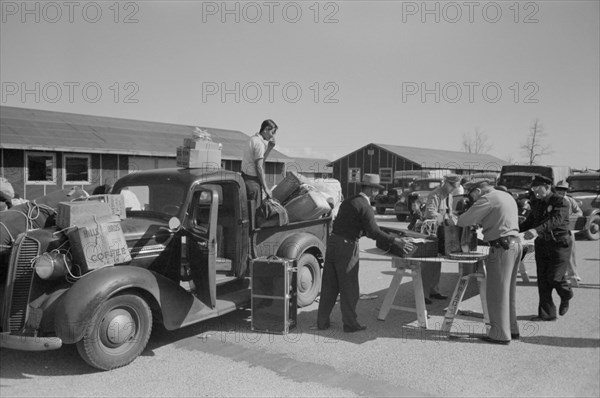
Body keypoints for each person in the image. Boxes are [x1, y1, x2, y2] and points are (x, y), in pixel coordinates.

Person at [317, 174, 414, 333]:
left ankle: (322, 322)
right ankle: (350, 324)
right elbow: (373, 231)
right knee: (349, 288)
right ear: (370, 189)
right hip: (347, 246)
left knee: (329, 285)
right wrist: (395, 241)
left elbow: (355, 226)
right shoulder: (365, 206)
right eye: (376, 190)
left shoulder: (349, 201)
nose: (378, 193)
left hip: (333, 243)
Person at [457, 180, 523, 345]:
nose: (471, 199)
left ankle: (499, 334)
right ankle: (511, 329)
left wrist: (452, 218)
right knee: (508, 292)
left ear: (478, 190)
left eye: (471, 195)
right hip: (515, 245)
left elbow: (464, 220)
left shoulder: (487, 198)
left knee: (496, 293)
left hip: (501, 247)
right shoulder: (505, 195)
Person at [520, 175, 573, 321]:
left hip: (559, 244)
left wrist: (537, 230)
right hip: (542, 244)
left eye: (537, 188)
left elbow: (555, 220)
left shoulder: (560, 201)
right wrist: (514, 230)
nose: (535, 191)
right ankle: (547, 314)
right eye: (533, 188)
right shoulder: (537, 203)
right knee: (543, 280)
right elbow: (530, 221)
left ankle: (566, 294)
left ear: (547, 186)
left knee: (555, 277)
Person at [421, 174, 462, 304]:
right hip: (432, 233)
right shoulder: (435, 194)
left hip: (443, 233)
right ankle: (424, 294)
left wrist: (454, 218)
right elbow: (430, 213)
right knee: (428, 264)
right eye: (452, 186)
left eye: (455, 187)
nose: (453, 189)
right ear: (446, 183)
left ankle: (434, 290)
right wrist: (445, 218)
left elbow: (449, 212)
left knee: (437, 262)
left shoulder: (449, 196)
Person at [240, 119, 278, 208]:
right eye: (272, 132)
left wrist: (269, 148)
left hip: (245, 179)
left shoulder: (252, 139)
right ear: (266, 130)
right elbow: (259, 167)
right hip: (253, 182)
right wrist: (266, 189)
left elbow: (260, 161)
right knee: (255, 211)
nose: (273, 136)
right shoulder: (259, 144)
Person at [555, 180, 583, 281]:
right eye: (559, 190)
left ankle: (573, 274)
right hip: (553, 232)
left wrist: (570, 217)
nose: (562, 192)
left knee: (570, 253)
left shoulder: (570, 201)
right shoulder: (551, 200)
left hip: (568, 231)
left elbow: (579, 212)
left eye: (564, 190)